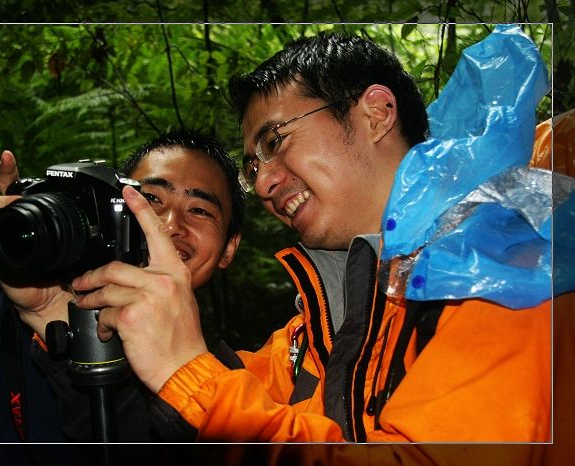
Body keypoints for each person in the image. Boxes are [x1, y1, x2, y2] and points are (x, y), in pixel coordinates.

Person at [71, 27, 565, 447]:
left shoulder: (502, 268)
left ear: (375, 114)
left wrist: (189, 374)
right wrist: (59, 309)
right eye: (253, 166)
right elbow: (238, 388)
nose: (262, 184)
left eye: (274, 141)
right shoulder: (321, 325)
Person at [0, 129, 245, 449]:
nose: (170, 225)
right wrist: (50, 317)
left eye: (199, 210)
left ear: (228, 249)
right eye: (150, 199)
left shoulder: (228, 387)